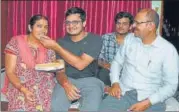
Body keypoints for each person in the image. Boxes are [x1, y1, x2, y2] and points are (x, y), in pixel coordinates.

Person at [99, 8, 179, 111]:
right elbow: (117, 62)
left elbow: (171, 85)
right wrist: (115, 82)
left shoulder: (168, 50)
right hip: (122, 93)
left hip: (150, 98)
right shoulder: (129, 39)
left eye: (137, 23)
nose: (133, 26)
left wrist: (149, 102)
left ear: (151, 26)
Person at [40, 7, 104, 111]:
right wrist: (66, 84)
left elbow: (80, 64)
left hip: (90, 80)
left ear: (84, 23)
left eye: (75, 22)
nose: (71, 26)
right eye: (68, 22)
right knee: (55, 106)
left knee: (92, 108)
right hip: (67, 79)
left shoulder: (95, 39)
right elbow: (60, 71)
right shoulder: (61, 42)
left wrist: (56, 47)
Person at [3, 14, 56, 111]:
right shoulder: (16, 42)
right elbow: (10, 72)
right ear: (30, 27)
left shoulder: (49, 45)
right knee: (21, 106)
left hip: (44, 86)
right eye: (39, 26)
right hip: (20, 85)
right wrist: (24, 90)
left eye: (46, 27)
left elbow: (55, 67)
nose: (43, 30)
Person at [97, 12, 134, 86]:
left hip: (128, 74)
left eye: (124, 24)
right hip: (108, 71)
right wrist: (110, 67)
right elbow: (98, 58)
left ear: (130, 26)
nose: (120, 26)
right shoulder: (105, 38)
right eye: (118, 23)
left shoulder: (135, 40)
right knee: (103, 73)